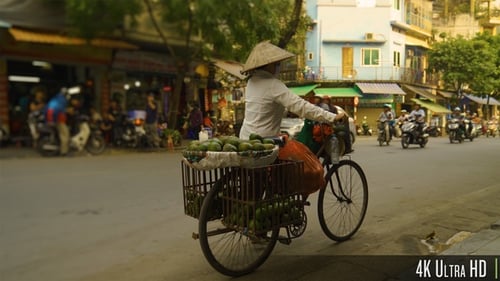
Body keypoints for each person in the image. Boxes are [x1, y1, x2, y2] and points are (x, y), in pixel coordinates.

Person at [238, 41, 349, 152]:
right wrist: (332, 117)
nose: (279, 67)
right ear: (269, 65)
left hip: (245, 140)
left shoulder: (251, 82)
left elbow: (265, 108)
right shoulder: (273, 84)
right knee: (300, 161)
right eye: (277, 64)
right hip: (263, 144)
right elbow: (300, 106)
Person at [46, 88, 70, 155]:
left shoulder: (56, 99)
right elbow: (60, 110)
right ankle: (64, 151)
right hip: (59, 120)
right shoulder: (62, 100)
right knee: (65, 135)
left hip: (53, 119)